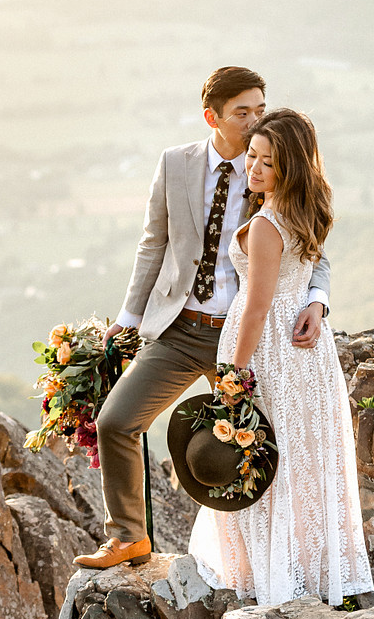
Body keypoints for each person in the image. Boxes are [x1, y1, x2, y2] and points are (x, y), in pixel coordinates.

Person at [74, 67, 331, 571]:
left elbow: (313, 245)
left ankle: (277, 558)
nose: (257, 119)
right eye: (244, 112)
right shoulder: (176, 164)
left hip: (247, 340)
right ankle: (128, 537)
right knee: (116, 422)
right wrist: (129, 318)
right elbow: (154, 243)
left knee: (262, 448)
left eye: (261, 108)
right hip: (181, 327)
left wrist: (316, 299)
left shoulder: (275, 167)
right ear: (213, 117)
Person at [189, 108, 374, 607]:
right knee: (297, 456)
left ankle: (268, 576)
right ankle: (305, 571)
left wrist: (233, 371)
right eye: (252, 156)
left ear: (288, 170)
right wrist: (313, 302)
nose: (254, 168)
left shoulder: (269, 224)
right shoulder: (303, 211)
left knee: (258, 454)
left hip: (270, 348)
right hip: (307, 357)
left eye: (267, 163)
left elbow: (257, 304)